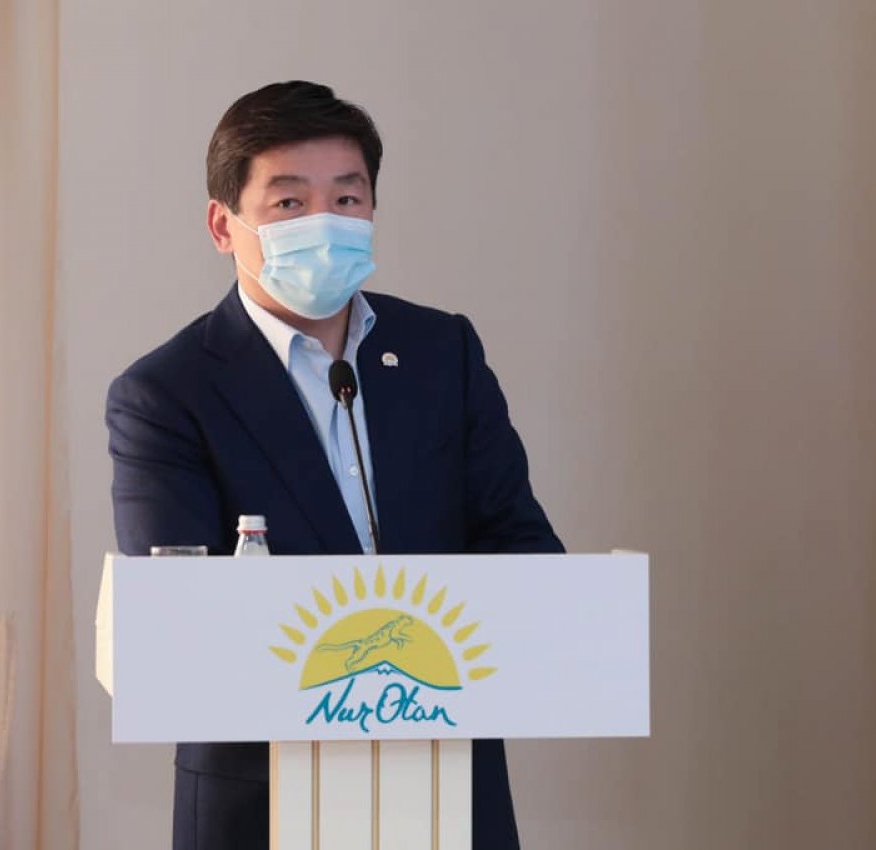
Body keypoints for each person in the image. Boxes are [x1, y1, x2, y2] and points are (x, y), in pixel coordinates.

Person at [105, 80, 562, 850]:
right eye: (289, 202)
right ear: (223, 225)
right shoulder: (165, 393)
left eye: (346, 199)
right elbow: (182, 620)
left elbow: (521, 545)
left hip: (445, 775)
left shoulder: (441, 352)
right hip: (263, 797)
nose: (324, 223)